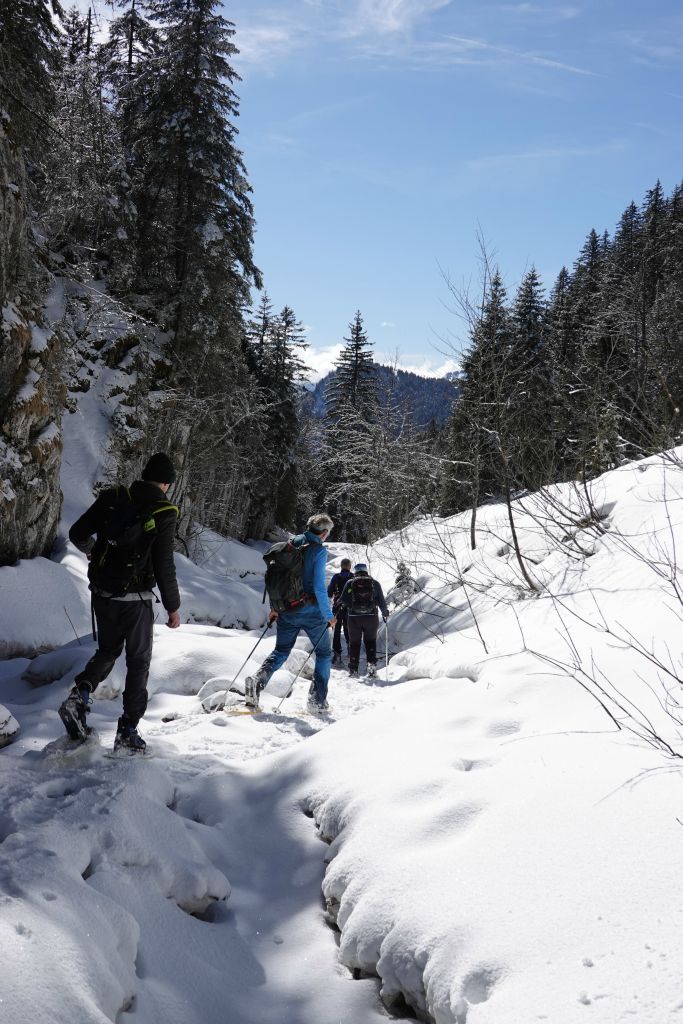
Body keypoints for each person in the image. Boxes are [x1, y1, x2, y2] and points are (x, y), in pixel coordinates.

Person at [59, 452, 181, 753]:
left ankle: (80, 696)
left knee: (108, 650)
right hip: (136, 601)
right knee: (138, 662)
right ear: (166, 483)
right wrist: (172, 606)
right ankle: (127, 730)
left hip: (103, 593)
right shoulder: (165, 511)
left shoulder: (114, 496)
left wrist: (90, 550)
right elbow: (164, 565)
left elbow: (77, 533)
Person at [245, 513, 335, 714]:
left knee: (281, 651)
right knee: (322, 653)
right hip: (310, 610)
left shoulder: (290, 544)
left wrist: (274, 608)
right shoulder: (318, 551)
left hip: (286, 609)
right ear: (323, 533)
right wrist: (329, 615)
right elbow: (320, 587)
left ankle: (257, 681)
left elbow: (279, 580)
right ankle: (317, 701)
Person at [339, 563, 389, 678]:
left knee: (354, 643)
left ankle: (353, 670)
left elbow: (343, 600)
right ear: (366, 571)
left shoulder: (350, 583)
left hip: (353, 618)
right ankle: (371, 669)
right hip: (371, 618)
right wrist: (385, 612)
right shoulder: (374, 583)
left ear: (355, 571)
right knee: (370, 641)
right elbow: (381, 600)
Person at [327, 557, 353, 664]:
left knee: (336, 631)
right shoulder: (353, 577)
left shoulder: (336, 577)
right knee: (349, 630)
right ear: (349, 567)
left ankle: (337, 654)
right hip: (350, 608)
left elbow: (329, 593)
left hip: (337, 608)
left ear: (341, 566)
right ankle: (351, 651)